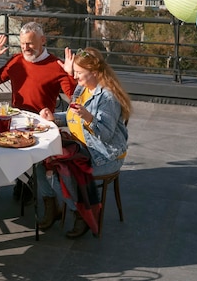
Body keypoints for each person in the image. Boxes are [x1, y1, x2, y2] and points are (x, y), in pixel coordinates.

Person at [36, 47, 131, 238]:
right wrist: (53, 117)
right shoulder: (83, 88)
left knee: (63, 169)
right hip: (83, 147)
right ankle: (53, 206)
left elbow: (104, 134)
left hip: (103, 156)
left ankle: (82, 215)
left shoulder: (107, 98)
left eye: (79, 73)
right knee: (40, 161)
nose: (75, 76)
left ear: (94, 73)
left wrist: (89, 118)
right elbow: (73, 114)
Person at [0, 21, 77, 202]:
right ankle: (24, 183)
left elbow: (73, 96)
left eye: (29, 43)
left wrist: (71, 74)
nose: (25, 48)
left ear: (42, 40)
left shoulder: (56, 64)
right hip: (16, 122)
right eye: (22, 44)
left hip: (41, 126)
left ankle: (32, 187)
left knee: (32, 159)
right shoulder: (16, 60)